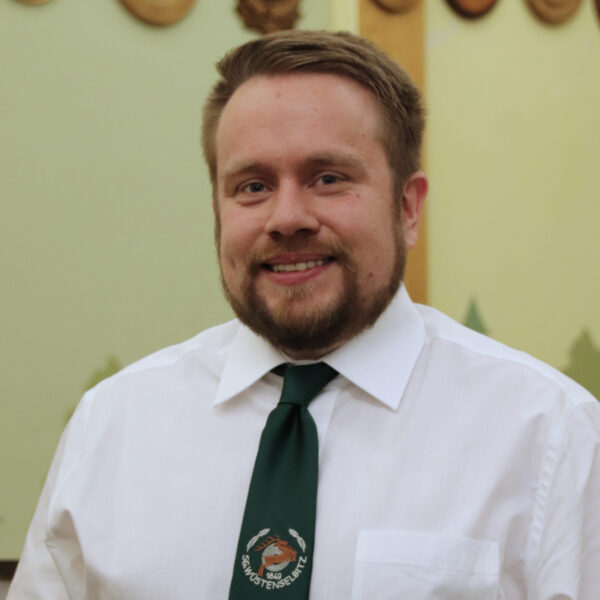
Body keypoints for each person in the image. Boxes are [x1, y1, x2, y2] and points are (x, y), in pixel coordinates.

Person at [8, 30, 599, 599]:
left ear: (408, 207)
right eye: (252, 186)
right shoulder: (112, 425)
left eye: (327, 178)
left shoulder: (550, 436)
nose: (287, 217)